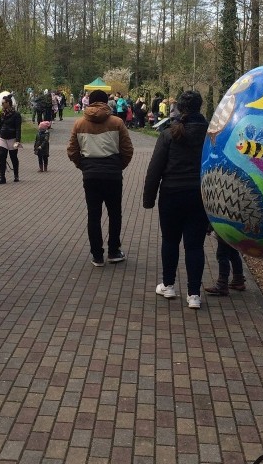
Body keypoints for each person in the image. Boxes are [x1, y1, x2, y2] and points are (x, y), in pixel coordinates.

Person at [142, 90, 209, 309]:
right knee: (195, 246)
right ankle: (194, 294)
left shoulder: (169, 134)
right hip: (200, 196)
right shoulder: (211, 135)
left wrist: (149, 198)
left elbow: (155, 169)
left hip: (171, 194)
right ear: (200, 107)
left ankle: (169, 285)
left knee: (170, 240)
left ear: (179, 108)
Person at [67, 89, 134, 267]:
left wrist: (84, 166)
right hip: (112, 174)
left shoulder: (79, 123)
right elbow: (127, 149)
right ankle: (113, 251)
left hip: (90, 175)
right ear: (106, 102)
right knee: (114, 214)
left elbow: (72, 151)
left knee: (94, 215)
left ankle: (97, 255)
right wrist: (118, 166)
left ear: (90, 101)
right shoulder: (117, 122)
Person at [206, 231, 246, 296]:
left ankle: (222, 285)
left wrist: (209, 227)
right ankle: (238, 279)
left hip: (225, 230)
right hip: (235, 230)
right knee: (233, 252)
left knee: (222, 255)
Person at [0, 93, 22, 184]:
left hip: (12, 138)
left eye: (3, 103)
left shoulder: (16, 115)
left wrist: (17, 140)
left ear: (8, 103)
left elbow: (18, 128)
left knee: (13, 157)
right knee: (2, 157)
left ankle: (16, 175)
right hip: (2, 138)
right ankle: (2, 177)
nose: (2, 104)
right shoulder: (2, 113)